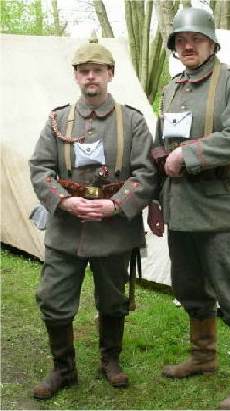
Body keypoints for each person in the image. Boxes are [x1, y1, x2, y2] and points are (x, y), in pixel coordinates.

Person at [148, 6, 230, 410]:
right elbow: (161, 149)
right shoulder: (171, 87)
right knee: (189, 287)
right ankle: (203, 356)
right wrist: (157, 199)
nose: (188, 46)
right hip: (181, 204)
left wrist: (190, 155)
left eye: (196, 39)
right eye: (181, 41)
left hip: (221, 205)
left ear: (212, 42)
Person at [30, 40, 156, 399]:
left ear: (110, 75)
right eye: (83, 71)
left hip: (114, 231)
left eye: (97, 70)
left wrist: (115, 205)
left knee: (113, 300)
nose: (90, 76)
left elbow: (146, 174)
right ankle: (64, 369)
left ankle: (110, 361)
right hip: (66, 230)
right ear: (75, 76)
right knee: (53, 299)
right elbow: (40, 168)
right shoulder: (57, 120)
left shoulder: (131, 121)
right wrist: (65, 202)